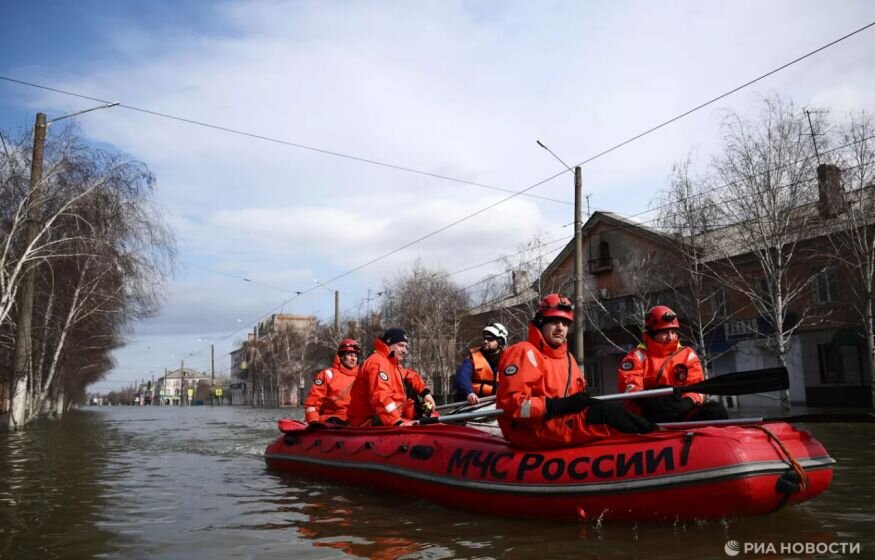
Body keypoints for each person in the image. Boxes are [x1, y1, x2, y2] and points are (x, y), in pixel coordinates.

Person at [496, 294, 655, 449]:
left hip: (560, 422)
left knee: (610, 409)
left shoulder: (567, 358)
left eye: (565, 324)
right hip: (531, 429)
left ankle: (656, 433)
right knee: (604, 414)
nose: (560, 328)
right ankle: (656, 437)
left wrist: (579, 402)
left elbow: (577, 398)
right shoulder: (522, 352)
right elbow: (512, 405)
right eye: (555, 322)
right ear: (541, 322)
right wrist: (555, 406)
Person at [617, 305, 729, 423]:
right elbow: (632, 389)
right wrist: (656, 403)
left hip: (682, 412)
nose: (670, 337)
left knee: (716, 411)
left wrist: (686, 403)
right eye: (665, 332)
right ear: (652, 333)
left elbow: (696, 387)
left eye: (673, 332)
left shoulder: (687, 355)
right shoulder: (635, 358)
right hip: (648, 415)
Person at [347, 328, 436, 426]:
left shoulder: (392, 364)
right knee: (425, 420)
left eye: (406, 347)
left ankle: (422, 416)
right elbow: (381, 397)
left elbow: (410, 375)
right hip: (370, 420)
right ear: (389, 344)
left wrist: (425, 393)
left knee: (428, 409)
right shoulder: (378, 362)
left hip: (389, 414)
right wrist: (397, 422)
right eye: (401, 345)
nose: (405, 351)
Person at [303, 339, 362, 424]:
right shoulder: (327, 375)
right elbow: (313, 402)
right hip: (334, 420)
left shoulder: (362, 376)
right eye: (350, 355)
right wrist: (313, 421)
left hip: (357, 420)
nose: (353, 359)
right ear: (341, 356)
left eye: (355, 356)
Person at [453, 321, 508, 405]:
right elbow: (462, 377)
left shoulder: (509, 358)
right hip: (476, 401)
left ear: (500, 341)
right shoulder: (473, 357)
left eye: (490, 339)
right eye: (484, 338)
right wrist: (469, 393)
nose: (485, 341)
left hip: (498, 402)